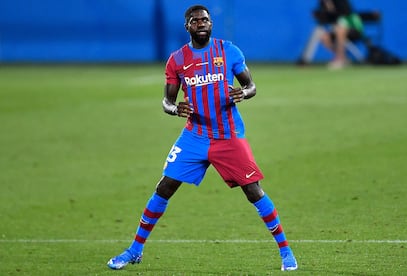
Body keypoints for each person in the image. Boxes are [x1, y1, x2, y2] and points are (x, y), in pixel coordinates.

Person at [107, 4, 298, 272]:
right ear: (187, 26)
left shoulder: (228, 50)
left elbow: (251, 85)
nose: (201, 23)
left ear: (211, 24)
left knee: (253, 191)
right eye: (195, 20)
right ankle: (135, 250)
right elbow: (167, 101)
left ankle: (286, 251)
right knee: (164, 187)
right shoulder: (177, 60)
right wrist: (175, 109)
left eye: (205, 19)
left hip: (227, 136)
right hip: (194, 136)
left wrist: (243, 93)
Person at [317, 0, 364, 69]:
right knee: (324, 36)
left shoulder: (341, 1)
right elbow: (324, 19)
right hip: (337, 29)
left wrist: (333, 9)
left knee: (340, 30)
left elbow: (347, 13)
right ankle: (342, 57)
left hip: (353, 28)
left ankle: (340, 59)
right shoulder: (323, 3)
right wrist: (329, 6)